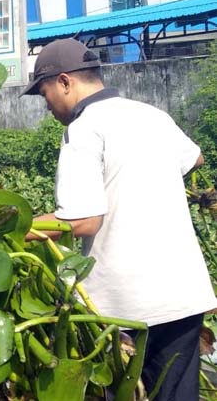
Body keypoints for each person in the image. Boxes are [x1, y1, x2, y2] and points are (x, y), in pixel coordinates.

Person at [22, 38, 216, 401]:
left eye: (44, 93)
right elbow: (196, 159)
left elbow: (83, 221)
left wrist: (13, 229)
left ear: (65, 82)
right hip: (182, 293)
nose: (46, 105)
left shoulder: (82, 129)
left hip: (128, 306)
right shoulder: (151, 114)